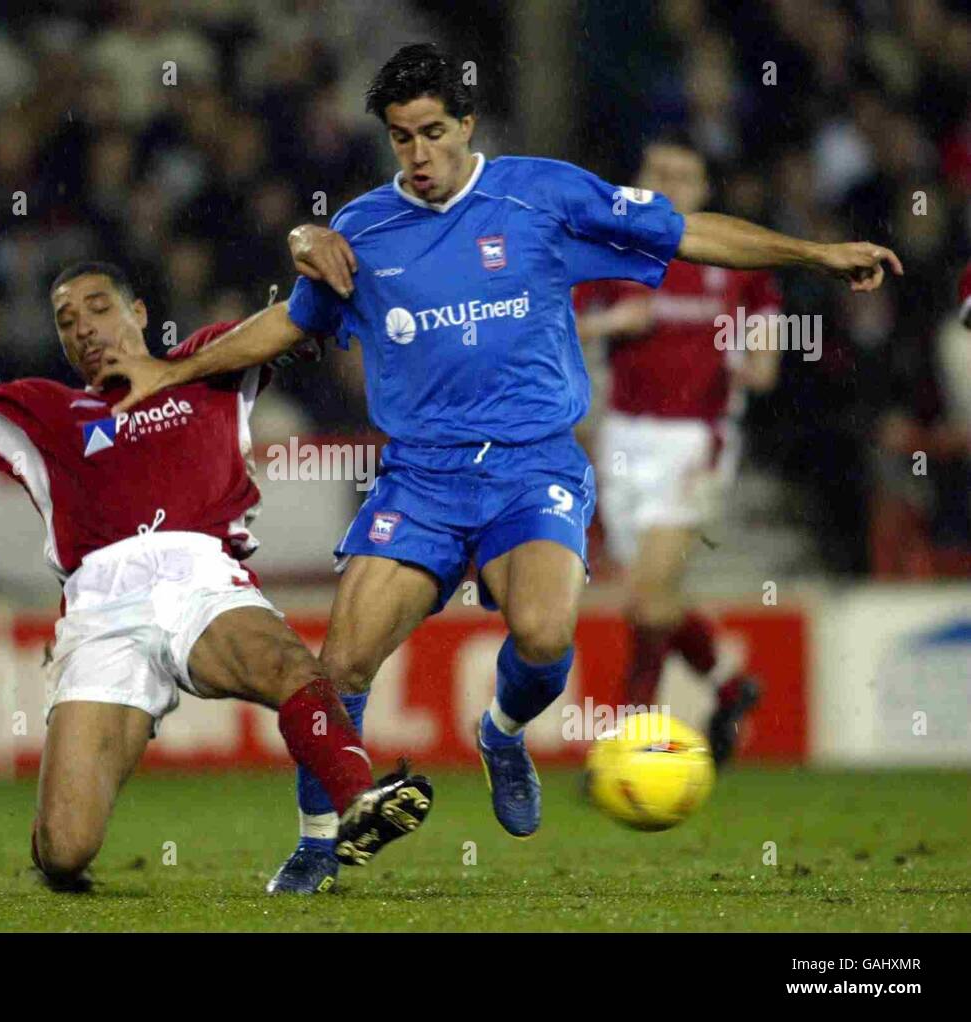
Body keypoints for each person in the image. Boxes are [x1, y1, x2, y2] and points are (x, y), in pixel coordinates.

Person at [99, 44, 902, 894]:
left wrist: (815, 256)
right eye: (402, 138)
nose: (419, 155)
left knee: (547, 634)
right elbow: (288, 325)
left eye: (434, 132)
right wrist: (174, 369)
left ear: (467, 123)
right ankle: (318, 839)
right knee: (339, 670)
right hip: (419, 479)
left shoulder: (543, 193)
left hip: (532, 466)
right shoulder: (362, 230)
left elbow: (688, 230)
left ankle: (502, 729)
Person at [0, 255, 433, 890]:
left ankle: (360, 800)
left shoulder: (208, 364)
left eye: (97, 307)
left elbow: (300, 317)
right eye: (65, 320)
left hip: (201, 578)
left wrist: (321, 246)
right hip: (101, 608)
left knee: (289, 666)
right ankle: (55, 841)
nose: (83, 327)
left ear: (138, 314)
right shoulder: (41, 411)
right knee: (66, 848)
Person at [574, 133, 781, 765]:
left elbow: (768, 338)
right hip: (623, 437)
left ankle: (629, 737)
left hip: (697, 436)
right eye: (656, 171)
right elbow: (565, 324)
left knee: (644, 595)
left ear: (703, 189)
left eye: (682, 176)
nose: (667, 184)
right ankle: (730, 685)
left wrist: (761, 363)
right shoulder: (613, 248)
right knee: (653, 599)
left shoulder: (735, 257)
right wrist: (614, 323)